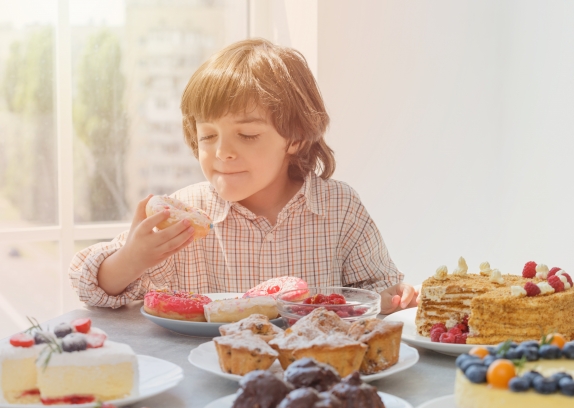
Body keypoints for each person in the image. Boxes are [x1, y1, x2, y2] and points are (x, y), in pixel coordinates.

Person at [69, 38, 417, 314]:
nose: (222, 152)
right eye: (208, 136)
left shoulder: (339, 207)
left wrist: (393, 297)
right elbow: (89, 285)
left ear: (295, 137)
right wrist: (132, 259)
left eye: (247, 135)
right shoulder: (184, 215)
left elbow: (376, 288)